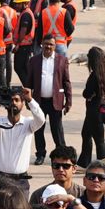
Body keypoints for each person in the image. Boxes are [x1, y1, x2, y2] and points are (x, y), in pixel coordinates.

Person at [24, 34, 71, 164]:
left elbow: (66, 82)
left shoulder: (62, 60)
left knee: (57, 130)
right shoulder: (34, 60)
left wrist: (69, 101)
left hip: (55, 101)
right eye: (46, 44)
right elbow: (29, 82)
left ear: (55, 46)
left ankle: (61, 155)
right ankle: (40, 154)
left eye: (51, 44)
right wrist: (28, 100)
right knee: (39, 129)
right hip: (39, 101)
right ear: (42, 45)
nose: (48, 47)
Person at [0, 88, 47, 181]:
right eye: (11, 100)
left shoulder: (28, 123)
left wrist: (30, 99)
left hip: (20, 179)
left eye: (17, 100)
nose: (13, 103)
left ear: (23, 104)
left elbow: (41, 119)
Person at [78, 46, 105, 166]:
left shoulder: (94, 76)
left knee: (98, 139)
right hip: (99, 109)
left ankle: (102, 164)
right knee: (86, 134)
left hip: (93, 111)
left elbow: (86, 93)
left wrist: (88, 94)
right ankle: (84, 162)